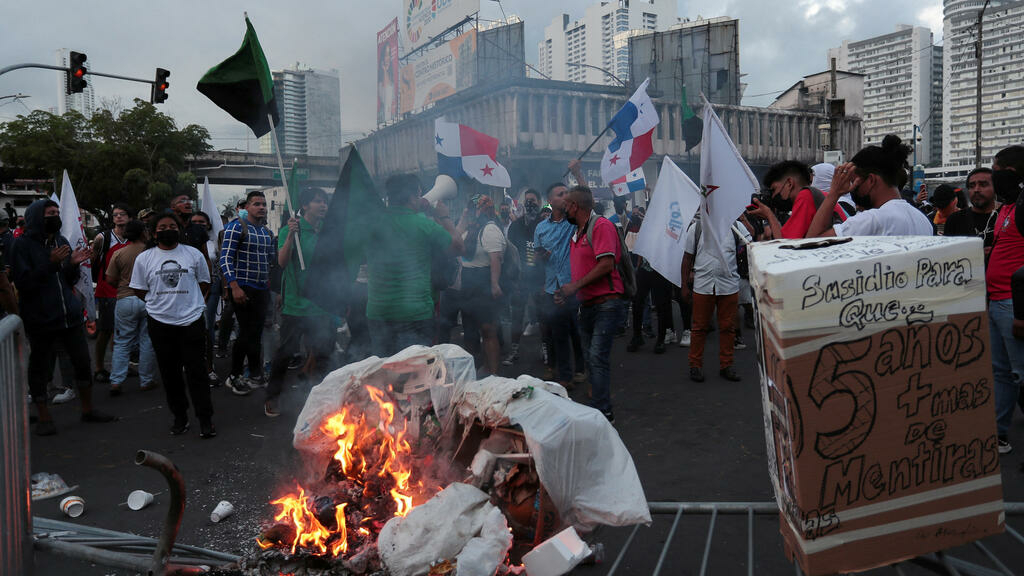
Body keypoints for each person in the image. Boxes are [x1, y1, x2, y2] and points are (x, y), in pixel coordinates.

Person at [11, 199, 116, 436]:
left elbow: (67, 280)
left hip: (69, 316)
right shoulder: (22, 245)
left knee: (82, 362)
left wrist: (72, 265)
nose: (55, 216)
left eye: (57, 212)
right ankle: (45, 417)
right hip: (41, 318)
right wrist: (51, 263)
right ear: (37, 216)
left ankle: (88, 410)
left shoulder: (61, 241)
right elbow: (24, 283)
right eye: (50, 213)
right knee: (40, 368)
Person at [131, 212, 215, 438]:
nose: (167, 229)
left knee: (197, 372)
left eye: (172, 225)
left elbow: (205, 283)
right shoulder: (145, 258)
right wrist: (158, 303)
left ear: (179, 229)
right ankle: (180, 417)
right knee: (170, 374)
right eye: (162, 226)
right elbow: (139, 289)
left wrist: (188, 303)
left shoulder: (193, 254)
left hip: (192, 321)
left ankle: (205, 419)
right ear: (154, 232)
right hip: (160, 322)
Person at [366, 174, 463, 356]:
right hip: (415, 314)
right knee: (415, 374)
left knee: (385, 370)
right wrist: (444, 217)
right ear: (412, 197)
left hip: (378, 312)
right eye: (418, 195)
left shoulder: (373, 224)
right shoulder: (424, 225)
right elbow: (458, 247)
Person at [556, 184, 626, 422]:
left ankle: (604, 413)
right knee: (590, 358)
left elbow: (606, 264)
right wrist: (567, 291)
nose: (564, 211)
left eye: (566, 206)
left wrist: (573, 287)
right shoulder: (578, 232)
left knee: (597, 357)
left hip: (606, 303)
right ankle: (596, 403)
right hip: (586, 305)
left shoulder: (602, 226)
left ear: (575, 206)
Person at [265, 187, 333, 418]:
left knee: (324, 352)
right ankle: (272, 397)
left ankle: (318, 397)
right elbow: (282, 263)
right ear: (304, 206)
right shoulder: (290, 229)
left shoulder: (326, 231)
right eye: (317, 201)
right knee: (286, 352)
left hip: (322, 304)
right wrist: (292, 236)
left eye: (324, 201)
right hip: (296, 305)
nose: (323, 205)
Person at [807, 135, 933, 237]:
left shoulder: (872, 220)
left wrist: (834, 193)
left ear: (871, 180)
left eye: (853, 182)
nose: (851, 189)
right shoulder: (922, 220)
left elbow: (812, 242)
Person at [984, 145, 1024, 455]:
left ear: (1009, 172)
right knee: (1002, 373)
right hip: (997, 301)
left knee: (1020, 373)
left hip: (1014, 305)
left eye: (995, 170)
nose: (992, 176)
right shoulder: (1008, 207)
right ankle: (997, 434)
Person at [681, 216, 751, 383]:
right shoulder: (696, 228)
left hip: (728, 286)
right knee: (699, 328)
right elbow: (687, 258)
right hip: (703, 286)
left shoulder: (736, 226)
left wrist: (744, 219)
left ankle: (726, 365)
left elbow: (751, 243)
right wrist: (683, 286)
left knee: (728, 328)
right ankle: (695, 366)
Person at [219, 191, 275, 396]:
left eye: (263, 204)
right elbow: (225, 259)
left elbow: (270, 262)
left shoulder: (267, 233)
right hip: (242, 287)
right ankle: (234, 375)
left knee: (256, 332)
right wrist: (233, 287)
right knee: (246, 332)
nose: (261, 207)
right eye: (256, 204)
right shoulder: (236, 227)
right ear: (247, 207)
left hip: (261, 288)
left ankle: (255, 374)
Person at [535, 181, 586, 388]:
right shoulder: (540, 227)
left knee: (573, 330)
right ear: (550, 201)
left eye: (567, 193)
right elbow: (536, 256)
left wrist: (578, 176)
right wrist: (542, 256)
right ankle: (564, 372)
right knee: (557, 330)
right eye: (560, 194)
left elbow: (585, 203)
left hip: (571, 285)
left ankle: (574, 371)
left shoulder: (573, 222)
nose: (565, 196)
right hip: (550, 286)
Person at [105, 219, 157, 395]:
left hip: (125, 299)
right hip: (148, 299)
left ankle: (116, 381)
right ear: (143, 232)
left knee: (122, 342)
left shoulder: (119, 253)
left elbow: (110, 279)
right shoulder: (152, 252)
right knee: (147, 340)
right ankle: (146, 380)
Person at [461, 194, 506, 375]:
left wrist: (494, 284)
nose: (474, 212)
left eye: (477, 208)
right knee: (470, 332)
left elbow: (495, 258)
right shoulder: (469, 227)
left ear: (486, 209)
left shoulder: (490, 229)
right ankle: (475, 371)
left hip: (483, 280)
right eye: (472, 208)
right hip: (468, 282)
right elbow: (455, 241)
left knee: (488, 329)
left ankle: (493, 372)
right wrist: (464, 218)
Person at [748, 160, 846, 239]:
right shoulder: (814, 194)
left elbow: (787, 245)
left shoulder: (806, 195)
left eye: (774, 190)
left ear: (789, 184)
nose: (773, 196)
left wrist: (769, 215)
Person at [503, 188, 544, 367]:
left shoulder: (544, 224)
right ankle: (514, 350)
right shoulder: (516, 225)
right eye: (527, 200)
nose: (529, 204)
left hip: (540, 279)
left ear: (540, 203)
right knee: (517, 315)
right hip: (520, 279)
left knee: (543, 315)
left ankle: (546, 349)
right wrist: (513, 276)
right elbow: (510, 251)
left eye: (533, 201)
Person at [90, 203, 130, 385]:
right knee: (105, 331)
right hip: (107, 290)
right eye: (116, 215)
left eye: (122, 214)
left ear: (129, 217)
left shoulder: (134, 237)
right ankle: (99, 368)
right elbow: (92, 261)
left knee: (123, 332)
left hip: (127, 290)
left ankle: (120, 365)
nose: (119, 217)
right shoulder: (103, 238)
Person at [191, 211, 221, 384]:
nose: (198, 224)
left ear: (208, 225)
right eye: (194, 221)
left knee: (207, 328)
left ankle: (209, 367)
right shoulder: (185, 242)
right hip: (189, 290)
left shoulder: (213, 242)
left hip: (211, 289)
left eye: (202, 222)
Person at [944, 168, 997, 260]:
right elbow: (947, 256)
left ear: (996, 187)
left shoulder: (1007, 216)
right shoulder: (955, 220)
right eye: (972, 186)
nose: (976, 189)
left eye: (983, 185)